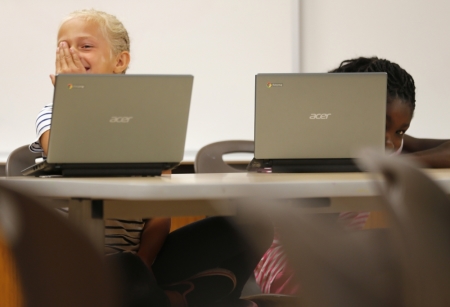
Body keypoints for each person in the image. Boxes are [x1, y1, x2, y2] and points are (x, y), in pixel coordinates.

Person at [29, 9, 273, 307]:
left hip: (140, 262)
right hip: (81, 265)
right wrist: (76, 96)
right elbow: (67, 152)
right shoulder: (53, 113)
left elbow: (160, 209)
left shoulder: (146, 121)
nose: (72, 53)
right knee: (124, 270)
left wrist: (145, 260)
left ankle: (163, 296)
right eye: (64, 47)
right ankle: (180, 300)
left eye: (86, 46)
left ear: (120, 61)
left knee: (250, 226)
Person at [254, 56, 450, 295]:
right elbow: (316, 242)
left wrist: (397, 164)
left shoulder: (385, 148)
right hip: (296, 269)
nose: (390, 141)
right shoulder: (310, 150)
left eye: (399, 131)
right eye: (380, 124)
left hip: (348, 263)